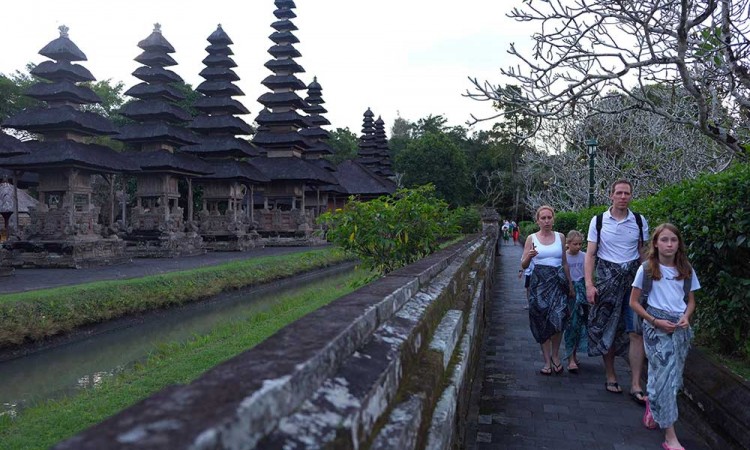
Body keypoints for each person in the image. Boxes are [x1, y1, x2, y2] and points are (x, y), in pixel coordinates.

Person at [629, 223, 699, 450]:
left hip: (680, 329)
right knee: (666, 380)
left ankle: (652, 403)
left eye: (674, 240)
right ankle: (670, 437)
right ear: (656, 243)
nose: (669, 244)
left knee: (671, 378)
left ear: (679, 244)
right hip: (655, 327)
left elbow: (690, 301)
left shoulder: (686, 269)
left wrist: (686, 317)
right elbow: (634, 303)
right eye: (664, 240)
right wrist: (654, 321)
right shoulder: (647, 269)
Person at [585, 179, 649, 401]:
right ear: (611, 195)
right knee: (608, 330)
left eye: (627, 193)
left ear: (631, 196)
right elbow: (590, 255)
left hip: (633, 284)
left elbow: (643, 256)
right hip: (606, 282)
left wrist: (651, 285)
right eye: (619, 193)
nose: (623, 197)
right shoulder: (599, 221)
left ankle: (635, 383)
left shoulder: (639, 222)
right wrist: (589, 285)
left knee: (635, 331)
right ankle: (611, 375)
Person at [521, 205, 574, 375]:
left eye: (549, 218)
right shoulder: (531, 238)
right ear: (537, 221)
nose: (546, 221)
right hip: (539, 283)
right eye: (543, 218)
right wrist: (529, 256)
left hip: (558, 282)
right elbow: (523, 264)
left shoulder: (560, 237)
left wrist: (570, 284)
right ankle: (546, 361)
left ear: (553, 219)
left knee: (558, 318)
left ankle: (556, 355)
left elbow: (564, 262)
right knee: (541, 320)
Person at [562, 230, 587, 372]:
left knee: (579, 324)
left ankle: (574, 354)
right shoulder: (564, 257)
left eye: (580, 244)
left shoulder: (584, 256)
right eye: (575, 244)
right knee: (571, 324)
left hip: (581, 292)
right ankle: (570, 358)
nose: (578, 246)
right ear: (568, 244)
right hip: (569, 294)